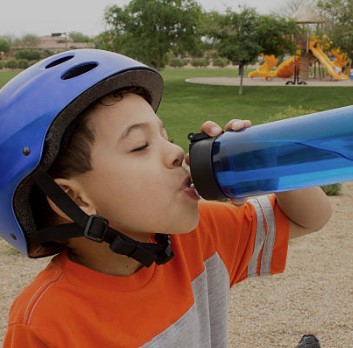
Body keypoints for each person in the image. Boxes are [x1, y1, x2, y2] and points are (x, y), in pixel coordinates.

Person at [0, 49, 331, 347]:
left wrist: (267, 159)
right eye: (140, 146)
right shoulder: (45, 325)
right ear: (74, 197)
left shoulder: (198, 237)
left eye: (165, 135)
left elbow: (309, 217)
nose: (175, 152)